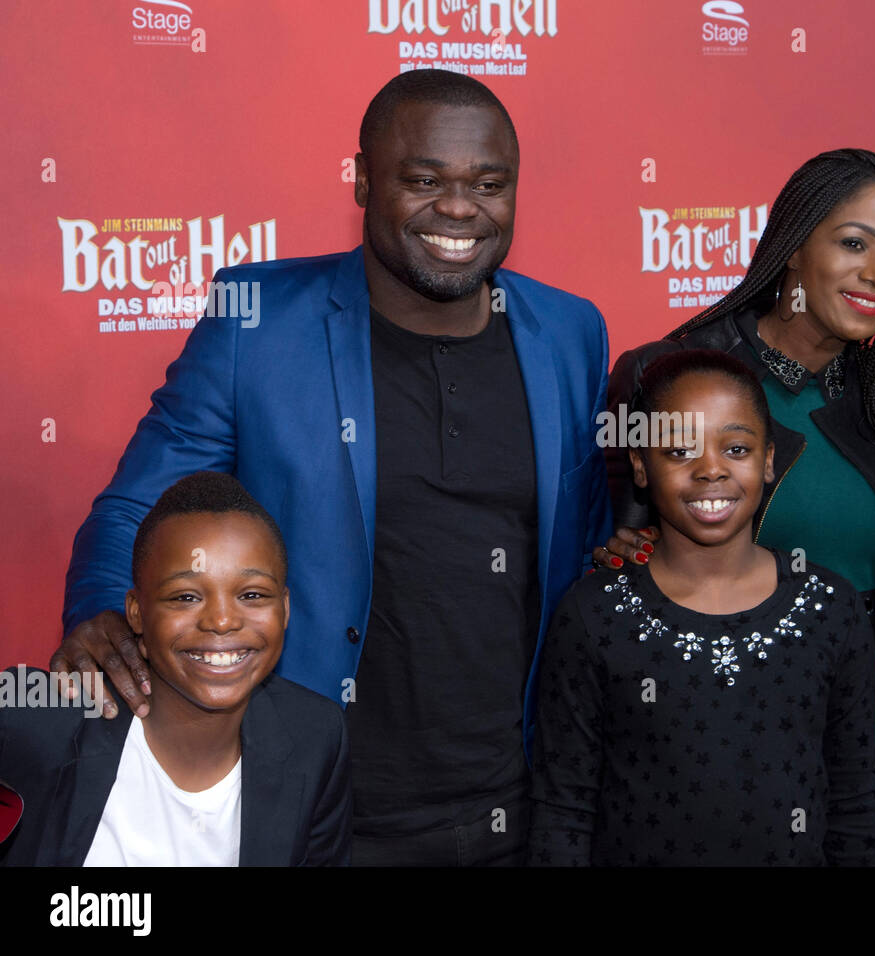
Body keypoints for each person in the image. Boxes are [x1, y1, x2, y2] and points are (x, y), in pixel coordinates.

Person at [53, 70, 612, 866]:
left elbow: (582, 544)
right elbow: (134, 507)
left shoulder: (569, 331)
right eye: (423, 180)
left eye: (489, 184)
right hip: (323, 802)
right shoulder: (257, 321)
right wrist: (102, 611)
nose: (459, 209)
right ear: (361, 179)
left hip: (518, 799)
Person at [601, 149, 875, 865]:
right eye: (854, 243)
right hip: (722, 732)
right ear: (795, 246)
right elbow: (613, 578)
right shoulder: (668, 377)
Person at [529, 350, 875, 865]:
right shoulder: (595, 615)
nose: (711, 470)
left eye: (736, 448)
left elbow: (856, 809)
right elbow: (563, 810)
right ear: (640, 465)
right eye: (679, 451)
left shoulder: (830, 609)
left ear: (768, 461)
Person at [2, 472, 350, 866]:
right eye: (186, 596)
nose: (221, 621)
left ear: (284, 609)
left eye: (252, 595)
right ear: (136, 612)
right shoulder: (35, 716)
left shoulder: (316, 737)